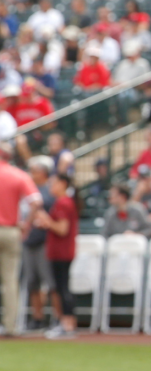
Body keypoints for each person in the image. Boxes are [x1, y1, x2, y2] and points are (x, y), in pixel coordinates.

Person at [0, 142, 41, 336]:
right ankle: (10, 326)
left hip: (8, 228)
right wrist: (26, 224)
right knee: (10, 280)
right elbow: (36, 201)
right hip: (11, 230)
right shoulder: (19, 174)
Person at [36, 174, 78, 339]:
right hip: (59, 252)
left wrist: (46, 220)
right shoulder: (63, 202)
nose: (50, 186)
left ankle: (67, 325)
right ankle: (66, 324)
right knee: (61, 288)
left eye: (54, 183)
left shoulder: (63, 202)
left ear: (62, 184)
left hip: (62, 252)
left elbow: (62, 229)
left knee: (62, 288)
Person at [21, 155, 56, 331]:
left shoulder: (50, 190)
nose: (31, 174)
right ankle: (37, 318)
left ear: (42, 172)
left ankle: (57, 318)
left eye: (34, 171)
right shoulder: (28, 189)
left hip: (45, 241)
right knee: (32, 282)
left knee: (51, 282)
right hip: (29, 240)